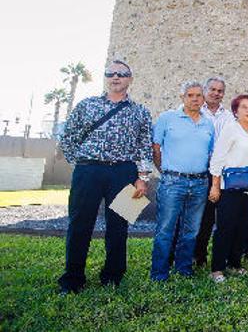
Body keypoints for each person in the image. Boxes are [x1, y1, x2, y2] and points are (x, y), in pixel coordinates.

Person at [57, 60, 153, 294]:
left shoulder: (141, 111)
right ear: (105, 77)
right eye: (111, 73)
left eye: (122, 74)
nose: (116, 77)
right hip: (89, 171)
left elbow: (144, 147)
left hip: (125, 172)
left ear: (130, 79)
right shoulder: (86, 105)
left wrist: (143, 178)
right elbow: (68, 138)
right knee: (80, 224)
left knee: (119, 227)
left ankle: (113, 276)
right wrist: (81, 163)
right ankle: (72, 279)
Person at [150, 81, 215, 281]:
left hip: (200, 183)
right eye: (190, 95)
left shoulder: (208, 123)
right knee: (165, 229)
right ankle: (159, 273)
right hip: (173, 182)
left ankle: (184, 268)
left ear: (203, 99)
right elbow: (155, 149)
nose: (195, 99)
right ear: (182, 97)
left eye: (198, 95)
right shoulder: (168, 118)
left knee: (192, 229)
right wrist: (168, 172)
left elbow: (210, 153)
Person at [208, 95, 248, 283]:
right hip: (229, 187)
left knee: (243, 228)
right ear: (236, 111)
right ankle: (217, 268)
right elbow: (218, 158)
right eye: (244, 107)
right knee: (225, 228)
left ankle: (235, 263)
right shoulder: (231, 129)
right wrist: (215, 186)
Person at [194, 76, 235, 266]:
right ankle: (198, 256)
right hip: (199, 170)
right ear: (205, 89)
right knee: (201, 217)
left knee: (219, 218)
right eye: (213, 89)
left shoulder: (228, 117)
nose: (216, 93)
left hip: (220, 172)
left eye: (220, 91)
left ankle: (221, 257)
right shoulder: (195, 112)